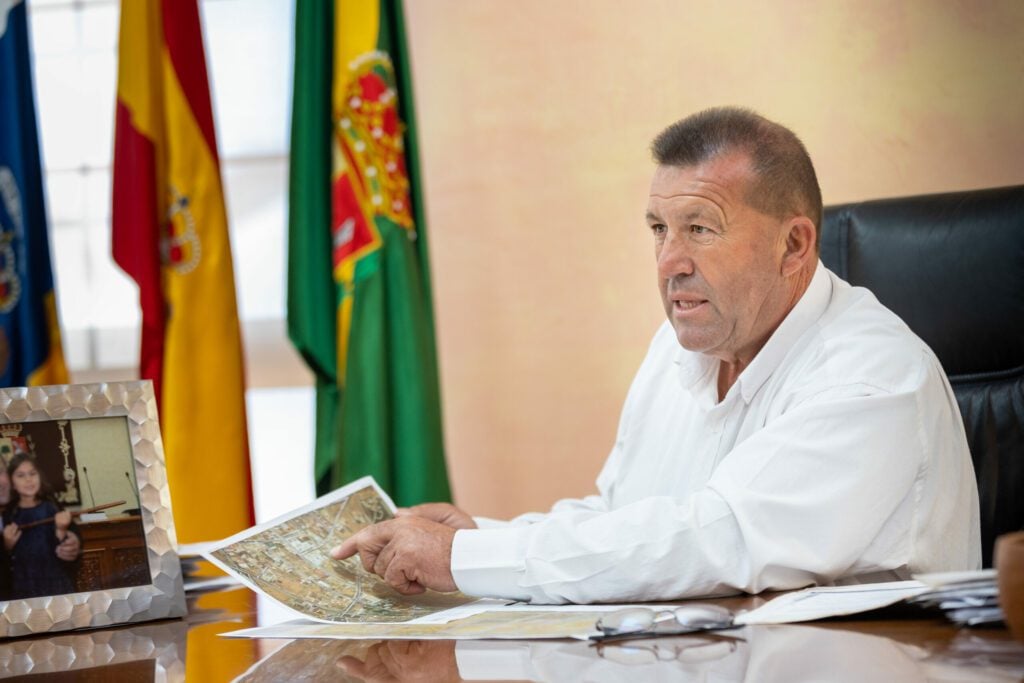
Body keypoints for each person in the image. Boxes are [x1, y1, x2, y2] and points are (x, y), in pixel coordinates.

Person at [332, 107, 982, 604]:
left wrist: (465, 559)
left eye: (699, 228)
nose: (670, 261)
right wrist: (484, 536)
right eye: (658, 229)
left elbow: (713, 540)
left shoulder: (872, 377)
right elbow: (624, 519)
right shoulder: (678, 346)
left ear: (794, 245)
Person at [2, 453, 79, 599]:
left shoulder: (50, 507)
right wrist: (7, 545)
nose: (28, 479)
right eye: (21, 475)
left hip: (52, 577)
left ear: (39, 476)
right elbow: (9, 555)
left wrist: (62, 529)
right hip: (24, 580)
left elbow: (60, 548)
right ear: (13, 483)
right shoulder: (10, 513)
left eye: (32, 473)